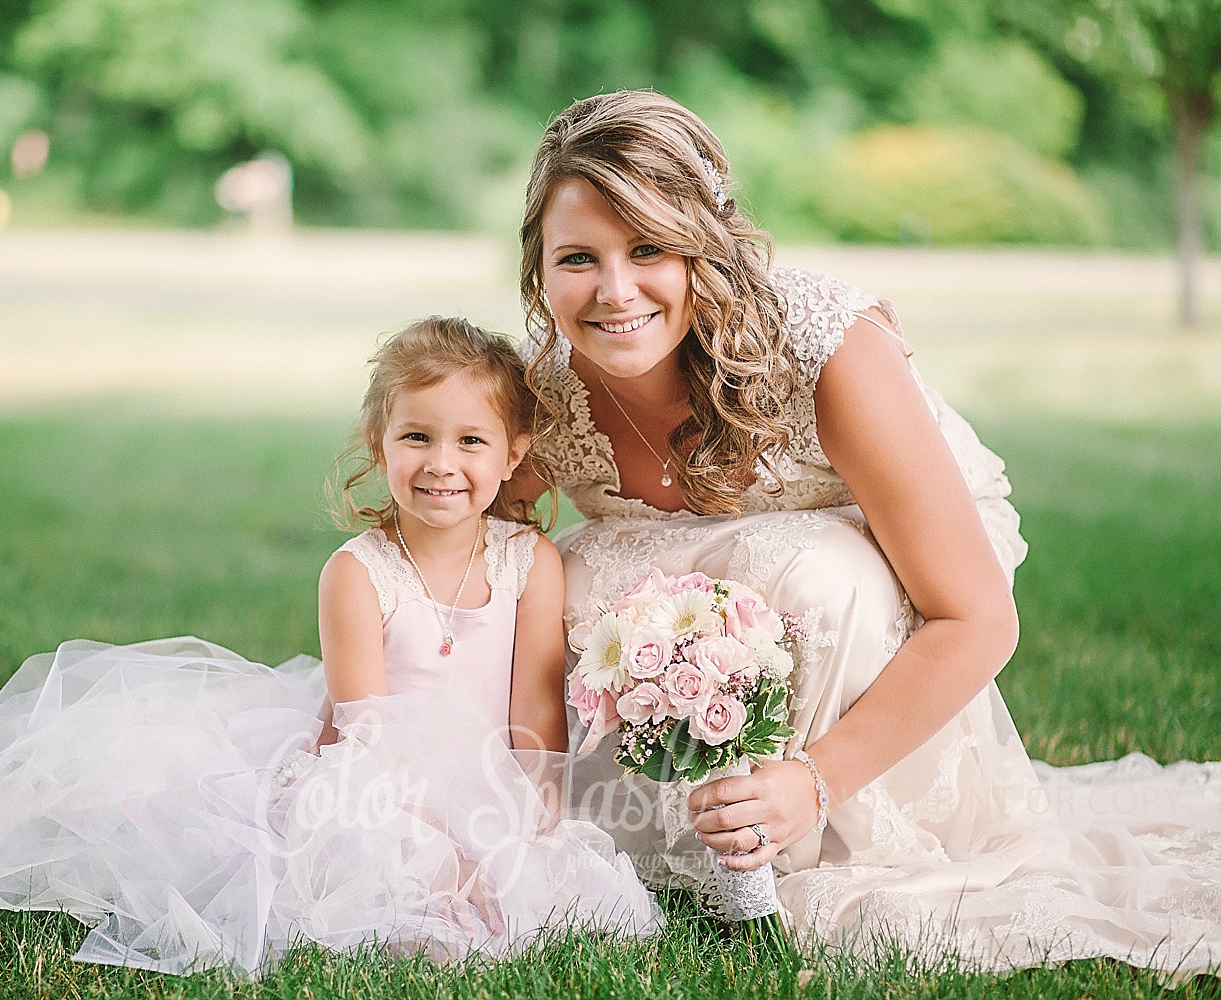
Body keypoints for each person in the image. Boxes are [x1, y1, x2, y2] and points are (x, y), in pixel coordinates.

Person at [512, 90, 1219, 975]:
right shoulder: (544, 397)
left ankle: (802, 828)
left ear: (709, 247)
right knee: (570, 578)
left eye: (650, 247)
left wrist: (815, 780)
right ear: (539, 269)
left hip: (903, 573)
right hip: (726, 595)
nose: (616, 291)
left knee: (811, 573)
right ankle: (647, 841)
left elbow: (979, 619)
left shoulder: (824, 347)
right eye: (580, 258)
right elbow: (471, 561)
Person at [0, 317, 662, 979]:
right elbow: (369, 736)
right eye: (416, 437)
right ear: (378, 440)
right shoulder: (358, 574)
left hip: (492, 776)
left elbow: (534, 703)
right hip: (373, 787)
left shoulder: (531, 562)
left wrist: (532, 823)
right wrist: (438, 851)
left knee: (560, 896)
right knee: (396, 901)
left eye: (471, 441)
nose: (441, 464)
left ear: (513, 450)